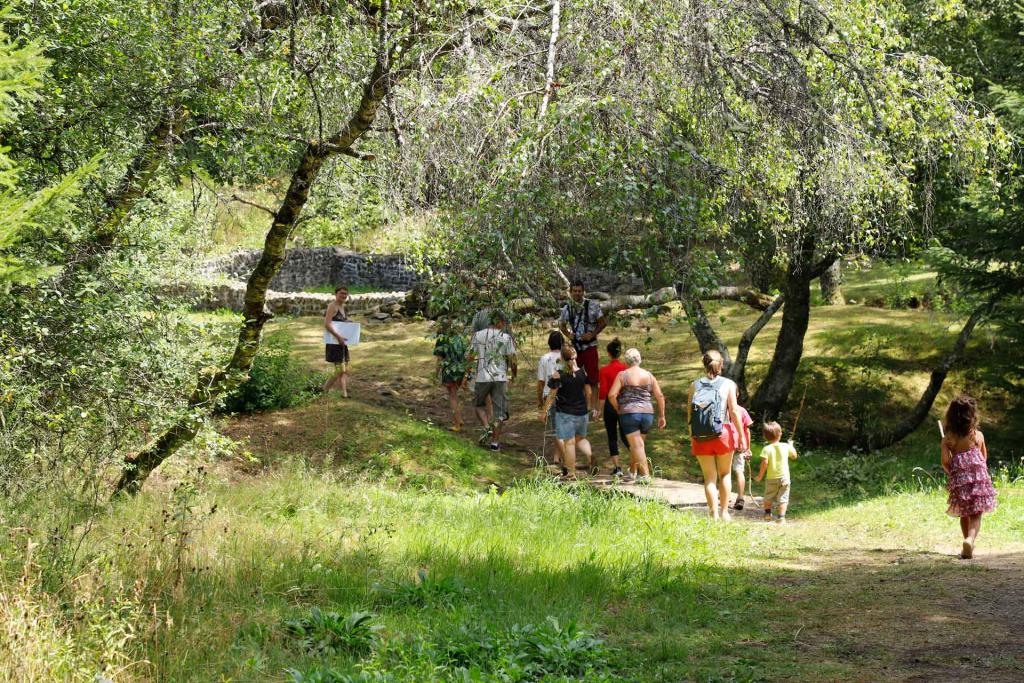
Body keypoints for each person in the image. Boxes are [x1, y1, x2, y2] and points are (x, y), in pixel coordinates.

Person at [687, 349, 747, 520]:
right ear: (721, 365)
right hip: (723, 435)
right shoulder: (728, 384)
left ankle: (713, 513)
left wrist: (693, 436)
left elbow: (690, 416)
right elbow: (734, 412)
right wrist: (741, 436)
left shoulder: (694, 385)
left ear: (704, 364)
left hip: (700, 437)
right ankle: (725, 513)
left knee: (709, 478)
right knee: (725, 474)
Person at [941, 394, 997, 559]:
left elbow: (945, 461)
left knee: (964, 513)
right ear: (972, 415)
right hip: (978, 480)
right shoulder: (978, 436)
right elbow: (983, 459)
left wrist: (954, 472)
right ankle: (970, 540)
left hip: (960, 480)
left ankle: (967, 542)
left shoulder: (948, 439)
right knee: (976, 513)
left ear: (951, 416)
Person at [607, 348, 666, 484]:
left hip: (629, 414)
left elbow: (611, 395)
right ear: (639, 360)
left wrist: (618, 407)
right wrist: (662, 416)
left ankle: (645, 476)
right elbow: (660, 396)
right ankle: (633, 472)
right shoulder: (649, 375)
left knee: (637, 446)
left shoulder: (623, 375)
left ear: (626, 361)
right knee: (638, 445)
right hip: (647, 414)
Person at [539, 345, 596, 479]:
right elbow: (589, 392)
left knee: (569, 443)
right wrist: (588, 406)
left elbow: (552, 396)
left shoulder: (558, 375)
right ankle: (590, 455)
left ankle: (571, 473)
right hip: (582, 413)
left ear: (562, 359)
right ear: (575, 357)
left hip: (565, 414)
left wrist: (543, 412)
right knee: (581, 439)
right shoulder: (583, 373)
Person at [465, 310, 517, 451]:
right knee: (500, 412)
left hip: (483, 377)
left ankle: (487, 427)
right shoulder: (506, 337)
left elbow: (470, 356)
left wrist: (468, 373)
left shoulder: (478, 335)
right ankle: (495, 443)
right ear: (498, 322)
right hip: (500, 378)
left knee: (478, 405)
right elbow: (512, 360)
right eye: (502, 322)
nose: (503, 325)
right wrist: (514, 374)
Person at [559, 280, 606, 415]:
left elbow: (602, 322)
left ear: (583, 291)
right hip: (576, 348)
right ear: (571, 292)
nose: (577, 293)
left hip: (590, 346)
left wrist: (592, 334)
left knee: (593, 378)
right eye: (575, 291)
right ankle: (580, 405)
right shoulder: (567, 308)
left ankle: (595, 408)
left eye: (580, 291)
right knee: (574, 376)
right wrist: (569, 335)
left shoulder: (593, 305)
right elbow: (561, 324)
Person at [754, 421, 798, 523]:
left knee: (768, 497)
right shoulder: (786, 446)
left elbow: (764, 463)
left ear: (765, 437)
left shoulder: (766, 449)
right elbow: (794, 456)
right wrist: (791, 446)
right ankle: (781, 518)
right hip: (785, 478)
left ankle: (768, 514)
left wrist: (760, 476)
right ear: (780, 434)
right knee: (783, 498)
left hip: (771, 478)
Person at [598, 338, 629, 477]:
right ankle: (639, 462)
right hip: (624, 404)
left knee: (612, 437)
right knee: (626, 436)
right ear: (619, 353)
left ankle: (617, 468)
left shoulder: (604, 370)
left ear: (609, 354)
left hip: (610, 406)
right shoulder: (625, 368)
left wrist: (599, 409)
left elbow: (603, 391)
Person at [433, 318, 468, 432]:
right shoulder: (460, 338)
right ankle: (459, 419)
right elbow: (466, 355)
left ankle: (457, 424)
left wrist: (436, 374)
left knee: (452, 396)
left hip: (449, 371)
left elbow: (439, 359)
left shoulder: (442, 339)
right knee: (455, 394)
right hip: (461, 369)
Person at [537, 330, 565, 464]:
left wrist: (539, 399)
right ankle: (557, 455)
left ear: (549, 343)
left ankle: (559, 456)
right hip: (565, 396)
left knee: (555, 428)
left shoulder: (544, 358)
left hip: (549, 395)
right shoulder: (566, 357)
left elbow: (541, 382)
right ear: (562, 343)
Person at [323, 285, 351, 397]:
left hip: (342, 342)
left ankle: (344, 393)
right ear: (336, 294)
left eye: (345, 293)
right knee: (340, 369)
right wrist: (338, 337)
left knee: (344, 369)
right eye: (341, 293)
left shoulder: (342, 307)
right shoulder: (332, 306)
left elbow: (339, 322)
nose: (344, 295)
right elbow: (327, 324)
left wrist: (348, 322)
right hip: (335, 341)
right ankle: (324, 389)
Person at [731, 405, 754, 510]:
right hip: (740, 445)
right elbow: (747, 431)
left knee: (723, 471)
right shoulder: (742, 410)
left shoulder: (723, 407)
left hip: (725, 444)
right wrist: (748, 448)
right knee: (739, 471)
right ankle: (740, 498)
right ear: (738, 394)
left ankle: (723, 495)